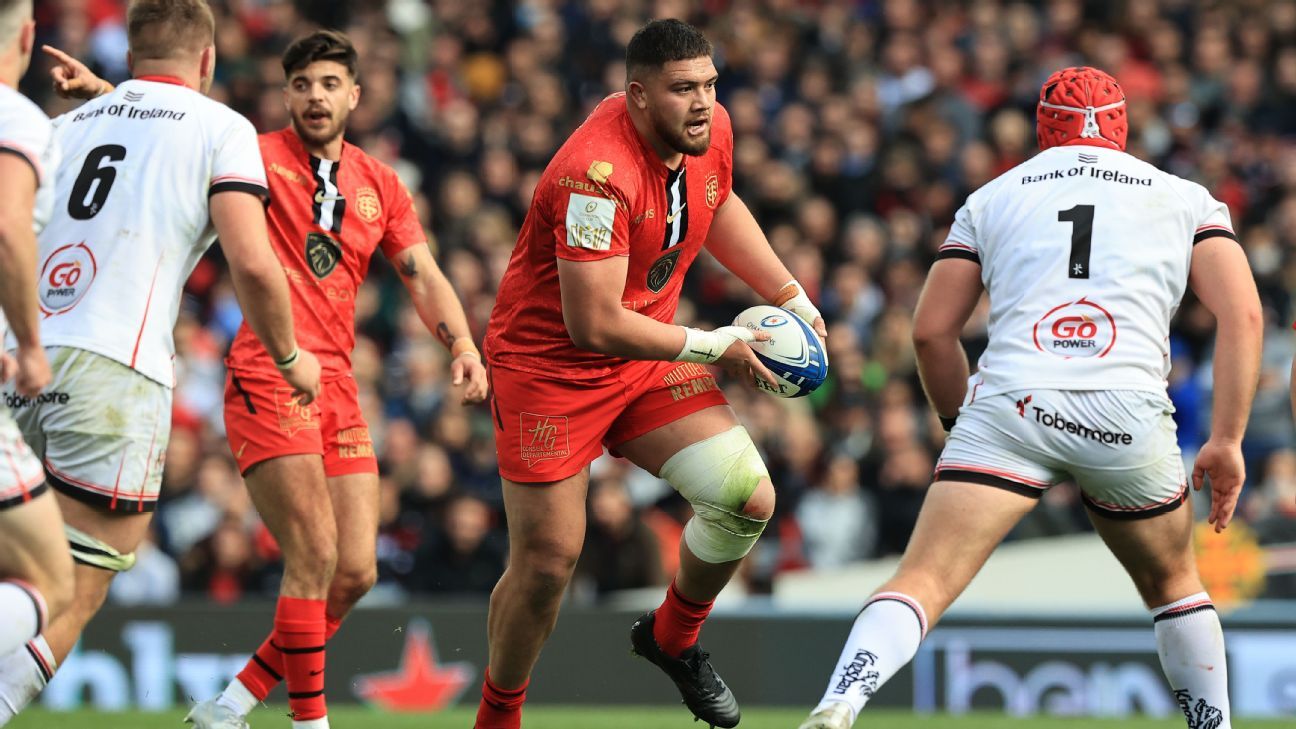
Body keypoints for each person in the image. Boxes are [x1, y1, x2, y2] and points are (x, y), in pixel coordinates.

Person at [44, 28, 490, 729]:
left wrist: (463, 340)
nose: (316, 96)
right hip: (266, 367)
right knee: (312, 552)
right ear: (286, 94)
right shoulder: (248, 150)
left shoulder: (381, 184)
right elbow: (172, 130)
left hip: (338, 384)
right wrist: (105, 95)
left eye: (330, 83)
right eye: (303, 84)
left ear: (356, 95)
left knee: (355, 573)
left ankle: (231, 702)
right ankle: (310, 721)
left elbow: (422, 273)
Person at [798, 66, 1261, 729]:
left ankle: (841, 698)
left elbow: (931, 331)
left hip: (1013, 400)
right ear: (1123, 125)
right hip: (1125, 405)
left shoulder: (991, 197)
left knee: (923, 578)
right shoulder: (1185, 197)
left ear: (1044, 126)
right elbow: (1243, 316)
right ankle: (1212, 726)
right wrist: (1227, 437)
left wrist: (961, 422)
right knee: (1173, 585)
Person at [479, 18, 825, 729]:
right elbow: (593, 324)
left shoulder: (709, 128)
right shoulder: (592, 176)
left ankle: (672, 637)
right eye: (682, 90)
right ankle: (498, 716)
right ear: (637, 95)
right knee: (547, 565)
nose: (702, 103)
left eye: (709, 84)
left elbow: (716, 202)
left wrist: (789, 292)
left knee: (746, 499)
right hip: (552, 371)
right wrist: (712, 345)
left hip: (644, 356)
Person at [0, 0, 322, 725]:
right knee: (71, 585)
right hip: (118, 368)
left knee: (14, 567)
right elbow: (253, 262)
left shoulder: (59, 124)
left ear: (131, 51)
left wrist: (109, 98)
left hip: (18, 359)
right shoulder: (223, 127)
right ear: (207, 61)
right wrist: (291, 355)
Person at [0, 0, 71, 665]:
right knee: (52, 577)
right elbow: (6, 226)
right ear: (26, 37)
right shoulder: (14, 114)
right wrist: (27, 343)